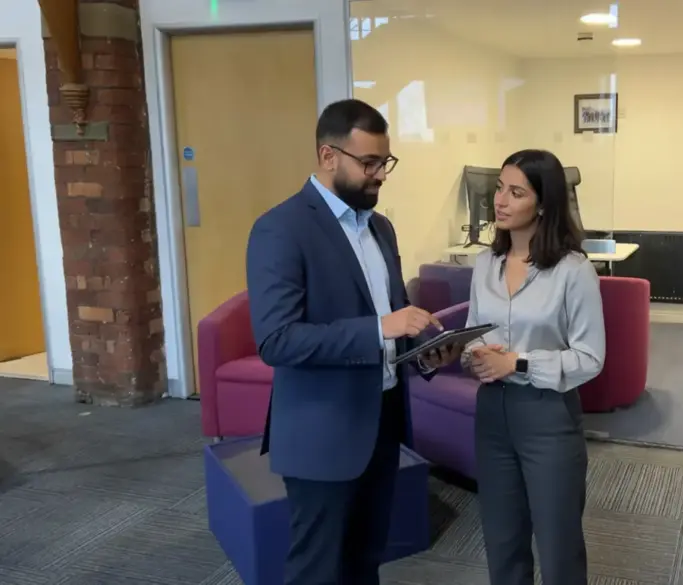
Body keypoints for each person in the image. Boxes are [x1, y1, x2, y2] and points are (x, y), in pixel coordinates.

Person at [245, 99, 460, 585]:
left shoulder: (381, 227)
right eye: (369, 163)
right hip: (322, 431)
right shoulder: (281, 229)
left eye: (386, 162)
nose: (380, 174)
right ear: (328, 156)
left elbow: (396, 316)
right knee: (318, 569)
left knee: (366, 561)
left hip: (382, 424)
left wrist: (425, 354)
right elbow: (277, 340)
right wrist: (379, 328)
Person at [462, 149, 606, 585]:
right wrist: (467, 355)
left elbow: (590, 358)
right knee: (502, 541)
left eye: (516, 192)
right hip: (492, 415)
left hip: (548, 417)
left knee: (559, 547)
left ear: (543, 204)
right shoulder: (485, 264)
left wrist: (517, 362)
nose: (500, 200)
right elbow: (473, 333)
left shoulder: (573, 271)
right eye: (498, 189)